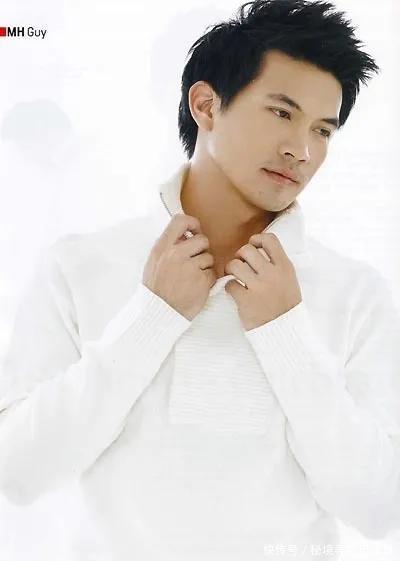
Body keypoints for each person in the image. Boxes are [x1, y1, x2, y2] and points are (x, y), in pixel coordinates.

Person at [1, 1, 400, 559]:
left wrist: (286, 335)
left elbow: (378, 509)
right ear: (206, 105)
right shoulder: (80, 265)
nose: (302, 151)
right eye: (281, 113)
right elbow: (17, 473)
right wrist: (151, 319)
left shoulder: (355, 293)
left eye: (322, 130)